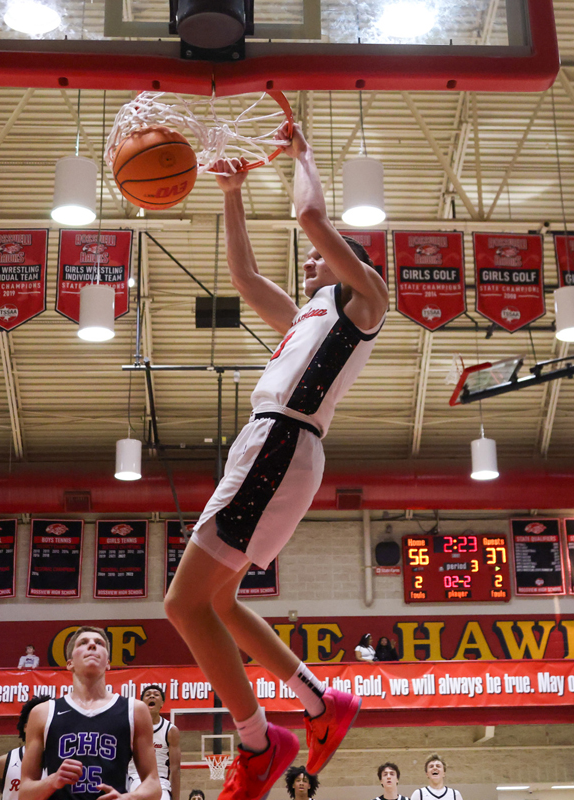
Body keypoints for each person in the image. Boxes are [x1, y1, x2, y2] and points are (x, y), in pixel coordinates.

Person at [164, 122, 385, 800]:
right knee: (218, 602)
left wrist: (304, 154)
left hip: (281, 442)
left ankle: (260, 742)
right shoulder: (308, 316)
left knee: (182, 604)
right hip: (272, 444)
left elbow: (312, 216)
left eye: (322, 258)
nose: (310, 260)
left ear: (349, 263)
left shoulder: (367, 300)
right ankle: (319, 701)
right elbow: (243, 276)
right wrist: (231, 193)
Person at [19, 626, 159, 800]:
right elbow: (25, 792)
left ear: (108, 662)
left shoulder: (134, 710)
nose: (92, 645)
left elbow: (153, 783)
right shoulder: (43, 713)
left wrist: (129, 798)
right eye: (83, 643)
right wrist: (52, 781)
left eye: (99, 643)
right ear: (70, 663)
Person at [0, 696, 51, 800]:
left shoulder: (63, 760)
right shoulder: (5, 763)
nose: (42, 725)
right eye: (37, 721)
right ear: (25, 727)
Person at [127, 685, 181, 800]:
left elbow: (175, 769)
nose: (152, 696)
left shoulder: (170, 730)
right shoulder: (130, 727)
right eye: (148, 695)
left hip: (161, 781)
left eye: (156, 695)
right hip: (135, 778)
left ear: (162, 703)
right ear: (142, 703)